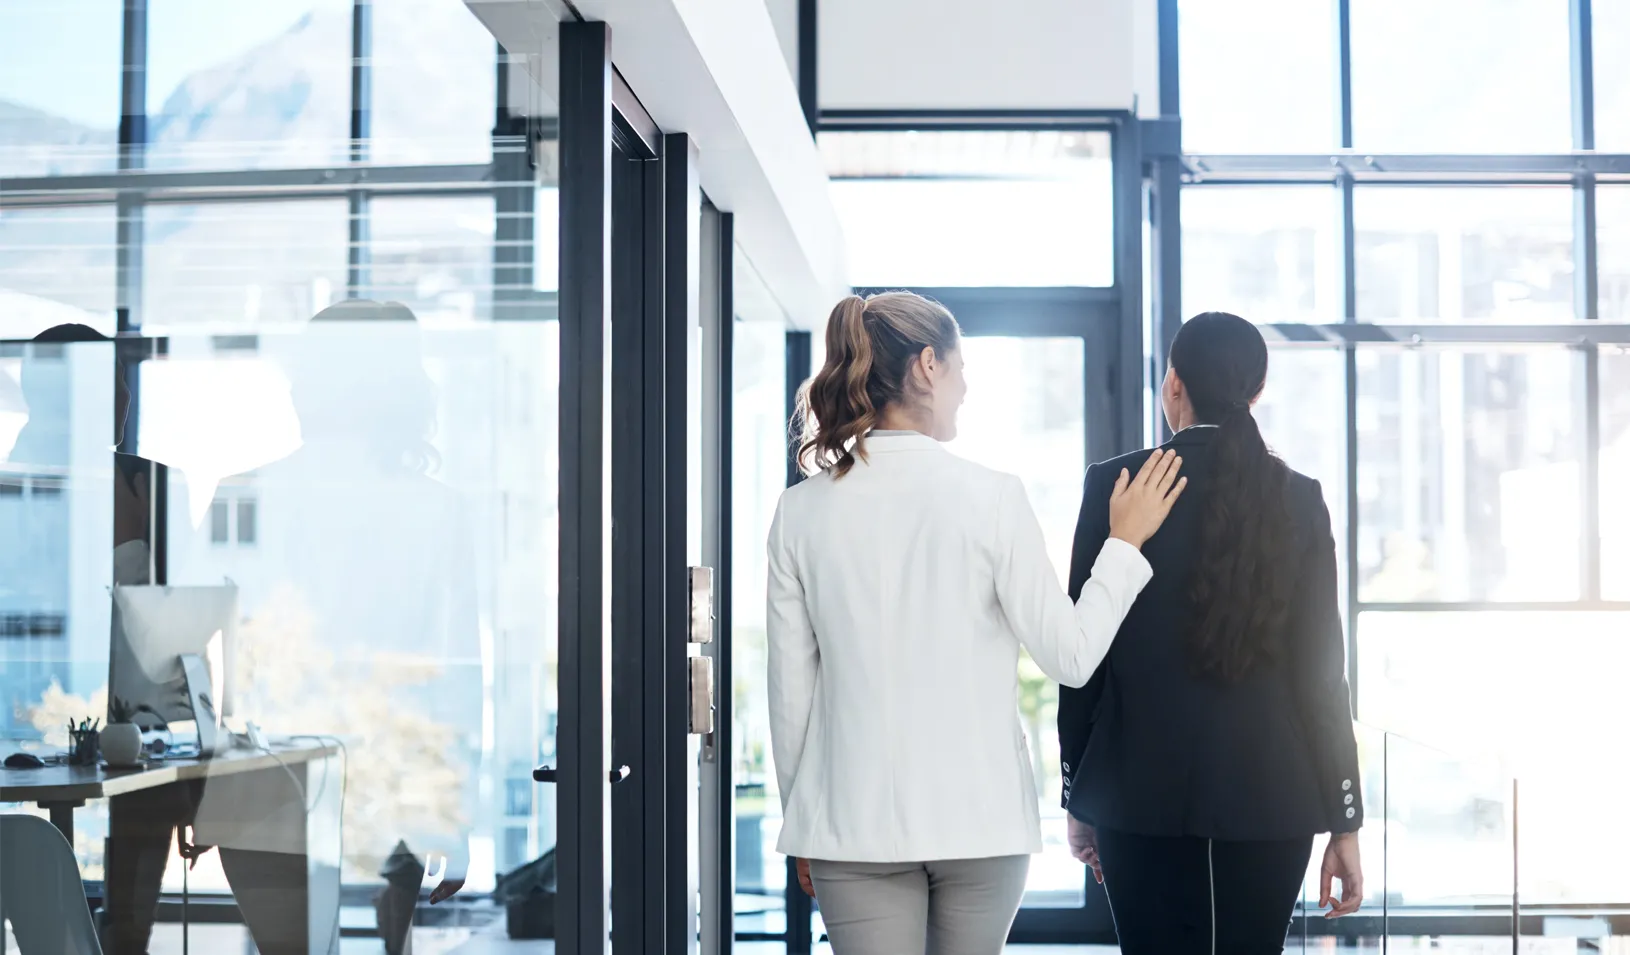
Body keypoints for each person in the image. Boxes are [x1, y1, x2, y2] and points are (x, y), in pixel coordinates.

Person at [766, 291, 1186, 955]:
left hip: (850, 822)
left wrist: (806, 820)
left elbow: (792, 696)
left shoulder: (801, 511)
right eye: (961, 368)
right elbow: (1072, 655)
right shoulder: (994, 497)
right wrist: (1125, 544)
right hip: (981, 820)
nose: (966, 386)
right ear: (928, 365)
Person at [1056, 312, 1364, 955]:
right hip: (1273, 798)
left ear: (1173, 384)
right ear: (1255, 391)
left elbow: (1084, 657)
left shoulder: (1114, 483)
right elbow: (1322, 675)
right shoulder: (1300, 497)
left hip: (1132, 792)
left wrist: (1077, 790)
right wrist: (1345, 820)